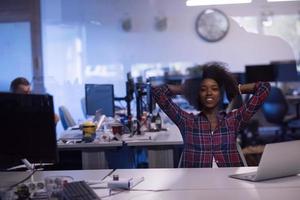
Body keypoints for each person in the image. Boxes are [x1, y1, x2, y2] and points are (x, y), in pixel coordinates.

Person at [152, 62, 270, 168]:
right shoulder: (187, 122)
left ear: (220, 92)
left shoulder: (234, 120)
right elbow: (157, 91)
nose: (209, 93)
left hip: (230, 184)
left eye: (214, 89)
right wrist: (189, 88)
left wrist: (234, 88)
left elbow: (264, 88)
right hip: (195, 185)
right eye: (203, 89)